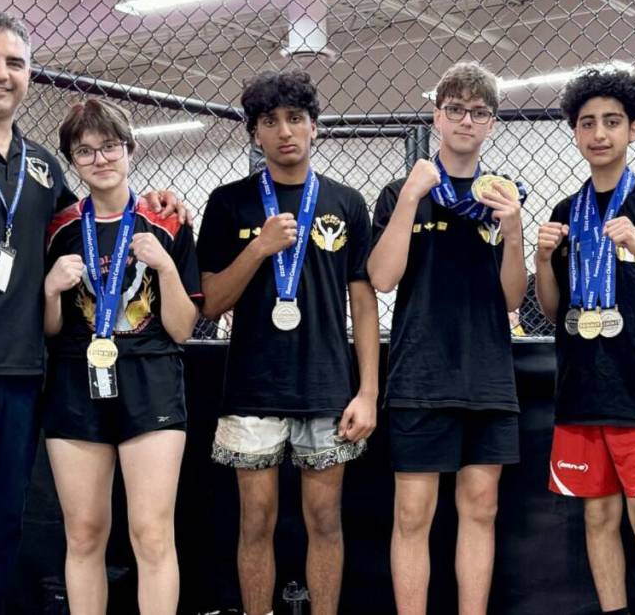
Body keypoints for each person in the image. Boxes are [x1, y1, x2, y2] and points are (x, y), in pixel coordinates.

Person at [0, 11, 185, 615]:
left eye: (15, 63)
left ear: (28, 76)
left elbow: (98, 212)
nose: (1, 73)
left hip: (21, 373)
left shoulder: (43, 167)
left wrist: (159, 200)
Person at [197, 70, 379, 615]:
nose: (284, 132)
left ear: (315, 128)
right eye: (269, 122)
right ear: (255, 134)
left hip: (326, 387)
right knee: (256, 521)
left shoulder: (346, 202)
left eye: (295, 119)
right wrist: (258, 250)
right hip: (253, 388)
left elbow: (363, 301)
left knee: (325, 521)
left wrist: (367, 391)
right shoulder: (228, 202)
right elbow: (213, 301)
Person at [534, 64, 635, 615]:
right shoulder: (566, 212)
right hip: (581, 390)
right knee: (598, 516)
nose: (599, 133)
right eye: (587, 123)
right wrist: (541, 259)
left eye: (612, 121)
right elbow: (556, 311)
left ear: (634, 129)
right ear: (575, 132)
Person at [369, 61, 526, 615]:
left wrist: (513, 233)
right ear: (437, 116)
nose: (466, 121)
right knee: (413, 513)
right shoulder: (400, 191)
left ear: (492, 123)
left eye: (479, 112)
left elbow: (511, 297)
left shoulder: (504, 195)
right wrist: (411, 198)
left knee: (480, 508)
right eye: (455, 110)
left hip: (486, 372)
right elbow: (383, 278)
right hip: (420, 373)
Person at [43, 99, 202, 614]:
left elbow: (181, 328)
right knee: (84, 534)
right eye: (85, 151)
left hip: (150, 378)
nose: (100, 159)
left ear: (129, 149)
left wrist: (167, 269)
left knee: (151, 534)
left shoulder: (167, 221)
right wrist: (49, 290)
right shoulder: (59, 226)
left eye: (109, 146)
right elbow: (50, 328)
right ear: (73, 160)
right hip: (75, 380)